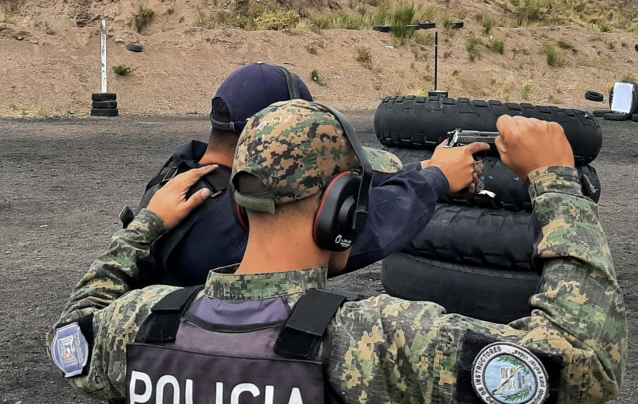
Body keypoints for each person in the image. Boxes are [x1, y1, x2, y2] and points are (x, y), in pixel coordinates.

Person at [50, 100, 626, 404]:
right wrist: (555, 183)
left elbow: (72, 328)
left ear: (242, 207)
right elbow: (581, 367)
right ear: (343, 208)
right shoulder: (378, 338)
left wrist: (146, 224)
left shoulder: (141, 322)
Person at [127, 63, 487, 286]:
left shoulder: (179, 179)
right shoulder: (234, 218)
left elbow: (312, 188)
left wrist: (418, 170)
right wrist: (436, 179)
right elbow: (355, 229)